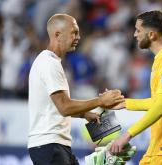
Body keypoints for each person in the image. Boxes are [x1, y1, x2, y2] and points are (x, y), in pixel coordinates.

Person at [28, 13, 124, 165]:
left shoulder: (50, 62)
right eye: (74, 32)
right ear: (57, 35)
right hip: (50, 145)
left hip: (54, 145)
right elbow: (64, 107)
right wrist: (100, 101)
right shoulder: (49, 64)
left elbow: (55, 104)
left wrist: (84, 114)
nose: (78, 37)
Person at [110, 10, 162, 164]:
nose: (134, 35)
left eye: (138, 30)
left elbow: (161, 106)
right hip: (158, 148)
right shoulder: (161, 59)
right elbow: (158, 101)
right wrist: (124, 103)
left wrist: (127, 135)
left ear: (152, 35)